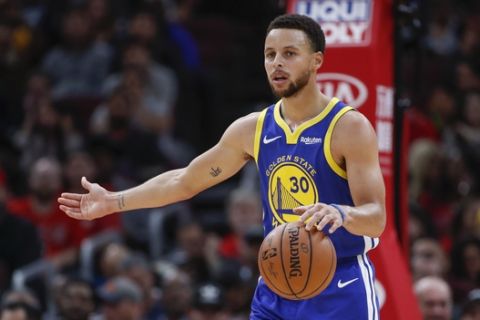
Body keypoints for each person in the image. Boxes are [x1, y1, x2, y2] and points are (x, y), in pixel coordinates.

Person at [58, 14, 386, 320]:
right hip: (277, 283)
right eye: (270, 54)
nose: (277, 63)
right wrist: (113, 201)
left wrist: (341, 214)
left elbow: (376, 218)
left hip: (339, 284)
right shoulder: (253, 128)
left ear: (317, 61)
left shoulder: (348, 127)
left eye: (289, 53)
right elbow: (185, 180)